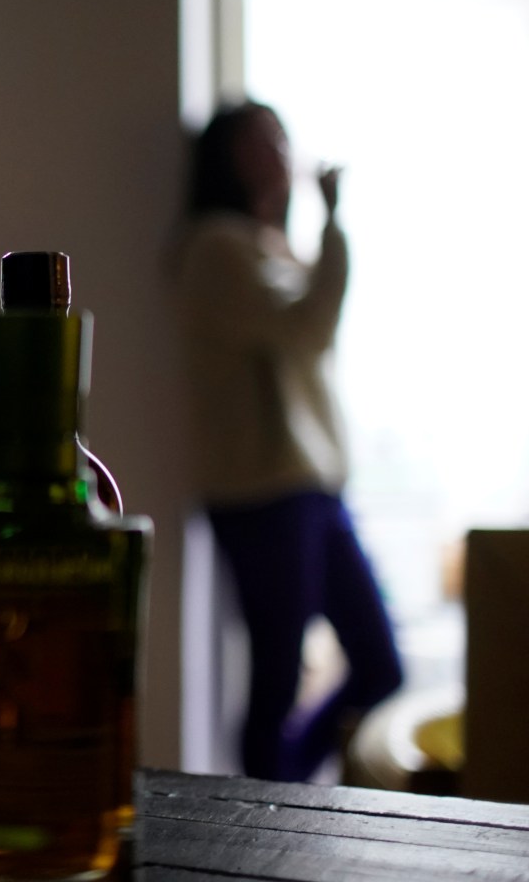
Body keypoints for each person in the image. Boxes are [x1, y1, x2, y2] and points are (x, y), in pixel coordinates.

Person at [174, 100, 403, 783]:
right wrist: (333, 221)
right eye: (257, 141)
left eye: (278, 136)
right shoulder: (217, 247)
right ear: (225, 158)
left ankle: (286, 799)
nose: (277, 151)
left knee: (378, 663)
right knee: (276, 678)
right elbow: (309, 327)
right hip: (264, 492)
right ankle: (269, 821)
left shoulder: (261, 245)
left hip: (306, 488)